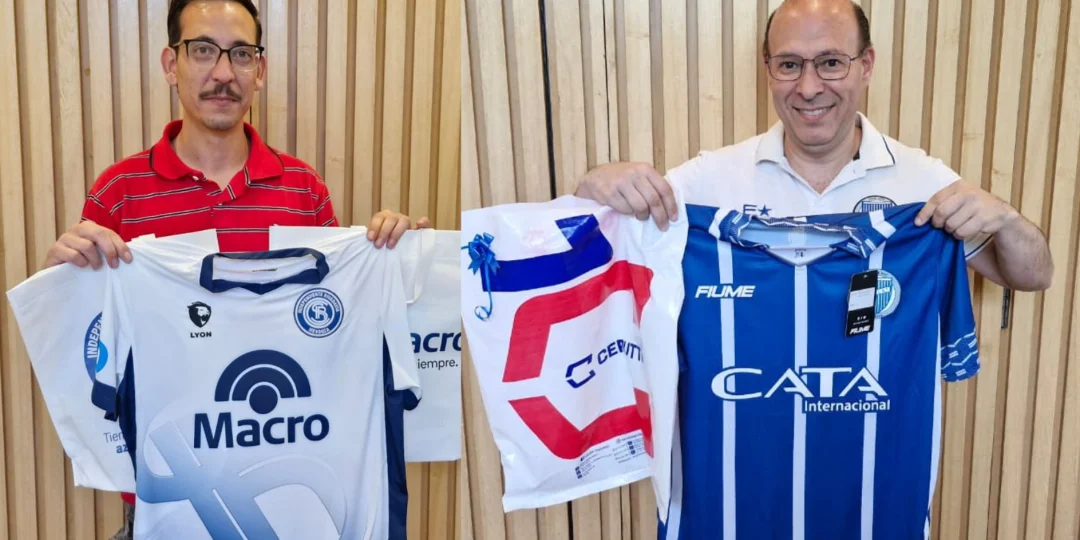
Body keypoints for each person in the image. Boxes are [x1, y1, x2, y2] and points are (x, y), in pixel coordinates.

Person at [40, 1, 428, 538]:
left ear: (259, 70)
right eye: (203, 50)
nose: (223, 72)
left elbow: (337, 331)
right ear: (171, 64)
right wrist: (61, 276)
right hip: (170, 493)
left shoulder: (303, 189)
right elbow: (84, 338)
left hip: (294, 489)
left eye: (241, 54)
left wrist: (401, 261)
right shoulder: (120, 191)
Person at [575, 0, 1053, 293]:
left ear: (866, 65)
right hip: (747, 426)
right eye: (789, 65)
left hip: (875, 428)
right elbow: (593, 242)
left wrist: (1007, 220)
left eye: (830, 63)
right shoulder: (707, 180)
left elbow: (1034, 276)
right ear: (768, 70)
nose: (808, 88)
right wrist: (595, 187)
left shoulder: (923, 183)